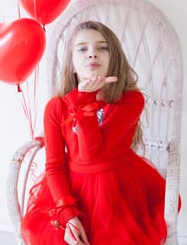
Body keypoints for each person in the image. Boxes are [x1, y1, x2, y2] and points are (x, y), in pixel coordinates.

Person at [21, 20, 169, 245]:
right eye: (82, 48)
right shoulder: (56, 107)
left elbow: (93, 155)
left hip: (118, 192)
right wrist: (68, 215)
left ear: (114, 59)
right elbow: (54, 166)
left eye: (102, 47)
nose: (92, 54)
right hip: (73, 192)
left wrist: (84, 101)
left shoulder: (130, 100)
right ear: (72, 63)